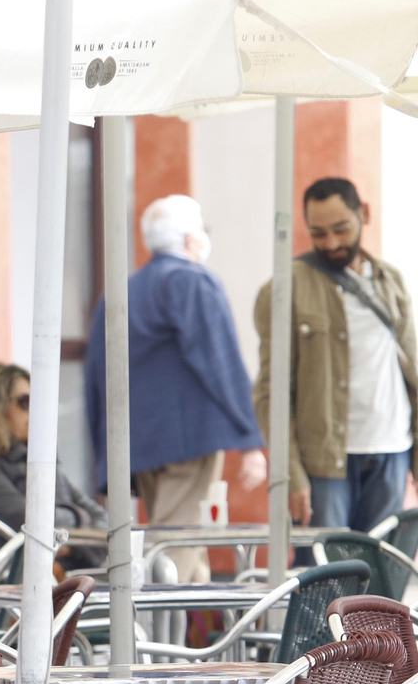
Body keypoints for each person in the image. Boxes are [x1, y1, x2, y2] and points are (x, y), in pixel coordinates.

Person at [86, 194, 266, 582]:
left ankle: (194, 622)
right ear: (190, 239)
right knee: (175, 548)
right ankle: (150, 621)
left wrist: (104, 455)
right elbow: (221, 360)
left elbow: (97, 375)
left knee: (186, 545)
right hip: (189, 441)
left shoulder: (121, 290)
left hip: (138, 444)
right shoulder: (192, 281)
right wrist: (250, 438)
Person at [255, 177, 416, 533]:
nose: (331, 243)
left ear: (364, 214)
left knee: (382, 564)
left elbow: (413, 372)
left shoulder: (391, 281)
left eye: (341, 229)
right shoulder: (285, 287)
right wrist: (290, 474)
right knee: (326, 565)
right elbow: (271, 393)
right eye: (318, 233)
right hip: (323, 464)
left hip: (393, 451)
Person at [0, 364, 105, 562]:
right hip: (14, 577)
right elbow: (37, 524)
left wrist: (69, 542)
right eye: (25, 402)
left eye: (38, 402)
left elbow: (102, 519)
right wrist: (79, 517)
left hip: (62, 573)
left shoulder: (41, 462)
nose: (36, 412)